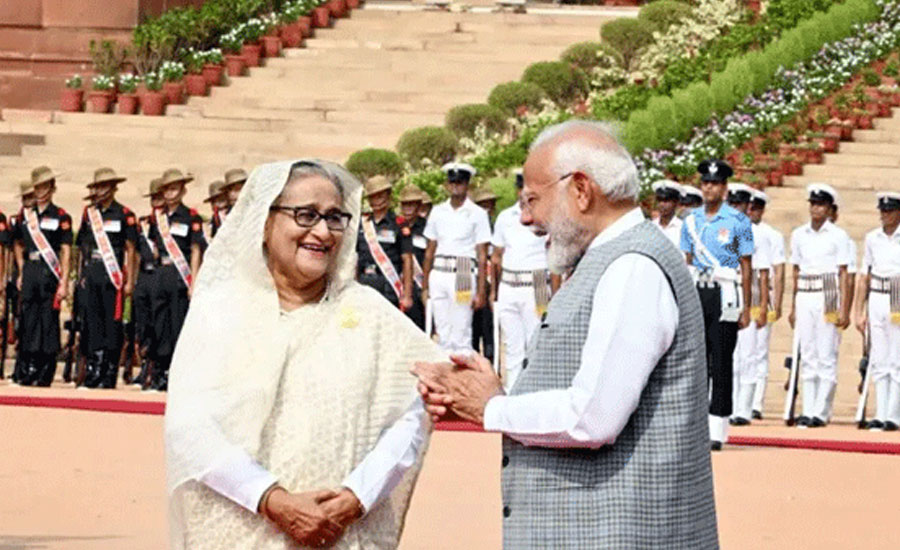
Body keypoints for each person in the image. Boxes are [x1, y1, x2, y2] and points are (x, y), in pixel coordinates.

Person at [414, 121, 718, 549]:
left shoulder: (632, 267)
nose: (525, 218)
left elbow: (592, 417)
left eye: (532, 200)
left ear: (580, 190)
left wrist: (491, 407)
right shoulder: (614, 259)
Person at [164, 159, 445, 550]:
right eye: (305, 215)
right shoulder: (222, 311)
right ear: (265, 222)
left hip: (342, 533)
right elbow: (189, 427)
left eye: (334, 218)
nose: (322, 231)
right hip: (238, 529)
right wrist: (270, 499)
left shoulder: (370, 314)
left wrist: (356, 497)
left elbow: (416, 411)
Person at [681, 159, 753, 450]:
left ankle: (718, 427)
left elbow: (746, 265)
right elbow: (686, 261)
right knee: (696, 360)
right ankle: (694, 425)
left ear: (724, 188)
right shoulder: (690, 220)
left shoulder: (738, 222)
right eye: (705, 183)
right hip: (698, 289)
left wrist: (748, 306)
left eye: (715, 183)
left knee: (722, 359)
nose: (709, 188)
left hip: (725, 293)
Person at [788, 183, 852, 428]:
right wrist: (794, 306)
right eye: (813, 204)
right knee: (809, 353)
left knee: (826, 354)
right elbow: (795, 270)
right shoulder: (799, 234)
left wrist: (844, 308)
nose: (816, 209)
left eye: (821, 205)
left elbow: (844, 274)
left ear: (829, 209)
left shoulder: (838, 236)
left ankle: (821, 411)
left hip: (828, 293)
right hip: (805, 291)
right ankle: (808, 408)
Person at [75, 168, 138, 389]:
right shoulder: (89, 213)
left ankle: (109, 371)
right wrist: (81, 273)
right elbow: (82, 246)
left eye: (104, 186)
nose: (100, 191)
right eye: (97, 187)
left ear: (113, 188)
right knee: (92, 323)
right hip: (92, 273)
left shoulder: (125, 214)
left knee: (112, 326)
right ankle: (94, 368)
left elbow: (131, 249)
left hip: (113, 278)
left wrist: (130, 280)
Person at [490, 169, 553, 391]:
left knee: (535, 342)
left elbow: (554, 255)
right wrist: (493, 293)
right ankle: (513, 392)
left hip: (536, 283)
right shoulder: (505, 217)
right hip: (508, 284)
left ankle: (535, 391)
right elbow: (496, 257)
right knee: (512, 345)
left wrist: (556, 293)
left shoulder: (546, 216)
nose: (524, 193)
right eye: (521, 188)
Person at [421, 163, 492, 354]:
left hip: (462, 269)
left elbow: (482, 254)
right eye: (452, 182)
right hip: (439, 270)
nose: (455, 186)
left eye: (460, 182)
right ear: (447, 184)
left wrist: (482, 291)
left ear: (467, 184)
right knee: (442, 333)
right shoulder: (437, 211)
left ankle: (462, 379)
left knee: (461, 333)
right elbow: (429, 250)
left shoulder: (477, 213)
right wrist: (425, 285)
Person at [13, 166, 73, 387]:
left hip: (50, 273)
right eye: (37, 186)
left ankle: (45, 369)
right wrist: (21, 269)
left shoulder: (61, 216)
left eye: (44, 186)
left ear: (52, 188)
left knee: (48, 321)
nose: (40, 191)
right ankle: (30, 366)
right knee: (29, 319)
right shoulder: (26, 216)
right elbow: (17, 243)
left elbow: (66, 250)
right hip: (31, 270)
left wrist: (64, 281)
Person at [147, 168, 204, 391]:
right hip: (161, 273)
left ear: (183, 190)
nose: (170, 193)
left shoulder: (191, 217)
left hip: (180, 277)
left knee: (177, 324)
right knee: (159, 324)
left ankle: (177, 372)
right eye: (167, 189)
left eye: (174, 188)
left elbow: (196, 250)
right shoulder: (157, 218)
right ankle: (160, 371)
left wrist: (194, 281)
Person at [854, 191, 900, 430]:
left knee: (897, 360)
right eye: (882, 211)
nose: (885, 215)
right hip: (878, 295)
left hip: (898, 295)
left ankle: (894, 414)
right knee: (880, 359)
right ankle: (881, 412)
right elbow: (864, 275)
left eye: (889, 211)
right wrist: (858, 310)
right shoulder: (873, 238)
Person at [729, 186, 771, 425]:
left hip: (750, 294)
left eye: (740, 205)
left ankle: (744, 408)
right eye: (732, 204)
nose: (737, 209)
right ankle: (730, 406)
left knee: (749, 355)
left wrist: (763, 306)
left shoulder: (757, 234)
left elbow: (763, 274)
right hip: (728, 292)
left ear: (748, 207)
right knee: (730, 355)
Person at [746, 190, 786, 419]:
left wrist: (777, 303)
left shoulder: (771, 235)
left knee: (759, 350)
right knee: (742, 352)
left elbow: (778, 270)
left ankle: (756, 402)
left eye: (755, 208)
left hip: (763, 294)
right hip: (743, 292)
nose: (751, 212)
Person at [356, 176, 409, 310]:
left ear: (389, 195)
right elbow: (355, 257)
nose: (378, 200)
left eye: (381, 195)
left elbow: (407, 260)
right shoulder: (362, 224)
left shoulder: (399, 224)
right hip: (364, 285)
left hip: (388, 287)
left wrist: (407, 295)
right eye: (373, 196)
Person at [131, 178, 164, 388]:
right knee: (142, 325)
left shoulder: (170, 223)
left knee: (159, 325)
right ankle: (144, 367)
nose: (157, 202)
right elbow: (133, 254)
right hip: (144, 278)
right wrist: (132, 281)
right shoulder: (143, 224)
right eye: (155, 198)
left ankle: (158, 369)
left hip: (161, 278)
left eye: (160, 197)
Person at [9, 180, 36, 384]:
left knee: (32, 322)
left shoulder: (42, 217)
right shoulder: (20, 219)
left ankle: (30, 366)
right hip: (23, 273)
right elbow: (15, 245)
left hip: (39, 272)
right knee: (22, 323)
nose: (28, 201)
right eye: (25, 198)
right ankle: (21, 366)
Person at [471, 186, 498, 362]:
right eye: (482, 206)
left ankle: (491, 365)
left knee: (490, 330)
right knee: (470, 328)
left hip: (492, 284)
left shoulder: (498, 228)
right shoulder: (469, 229)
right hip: (469, 280)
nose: (486, 210)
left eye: (489, 206)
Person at [398, 185, 427, 330]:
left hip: (421, 287)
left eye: (412, 204)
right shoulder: (396, 226)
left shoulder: (428, 228)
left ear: (419, 205)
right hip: (399, 287)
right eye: (405, 204)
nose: (408, 208)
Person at [651, 179, 683, 248]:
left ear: (676, 203)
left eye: (666, 201)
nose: (662, 204)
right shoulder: (651, 227)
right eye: (660, 200)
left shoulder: (682, 228)